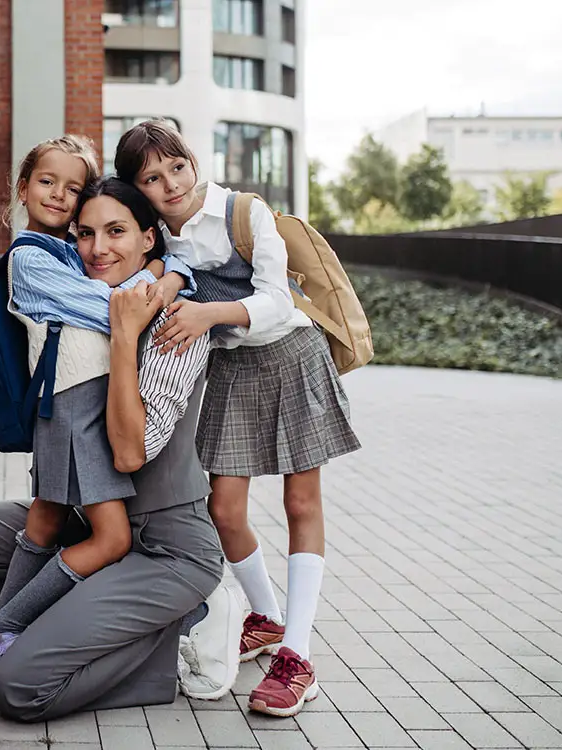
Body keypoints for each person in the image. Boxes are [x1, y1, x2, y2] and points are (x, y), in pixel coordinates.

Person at [0, 177, 230, 721]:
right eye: (87, 233)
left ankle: (164, 638)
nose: (99, 249)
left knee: (17, 689)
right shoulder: (83, 298)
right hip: (94, 530)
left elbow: (128, 454)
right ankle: (75, 623)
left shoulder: (177, 325)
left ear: (149, 238)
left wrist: (125, 336)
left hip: (168, 550)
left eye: (116, 232)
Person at [113, 118, 362, 717]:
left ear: (193, 160)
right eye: (152, 176)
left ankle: (297, 657)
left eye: (177, 165)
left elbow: (279, 301)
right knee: (223, 510)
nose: (171, 183)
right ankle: (269, 619)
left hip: (291, 355)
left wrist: (206, 314)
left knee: (301, 503)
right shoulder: (158, 242)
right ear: (135, 188)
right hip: (232, 372)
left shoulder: (244, 213)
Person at [0, 136, 195, 669]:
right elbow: (112, 311)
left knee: (45, 522)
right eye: (47, 182)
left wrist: (159, 274)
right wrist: (160, 276)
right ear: (22, 187)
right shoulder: (28, 258)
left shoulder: (70, 252)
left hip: (75, 403)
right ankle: (4, 627)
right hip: (72, 408)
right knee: (111, 538)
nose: (58, 196)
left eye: (73, 188)